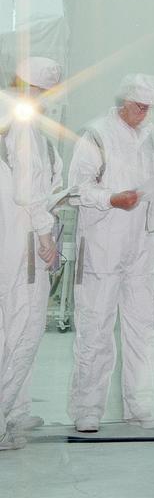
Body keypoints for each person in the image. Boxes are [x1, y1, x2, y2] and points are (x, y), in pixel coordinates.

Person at [67, 73, 154, 432]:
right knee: (95, 328)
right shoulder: (96, 134)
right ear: (124, 101)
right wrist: (111, 198)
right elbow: (76, 190)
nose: (145, 113)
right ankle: (87, 409)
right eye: (140, 106)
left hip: (141, 247)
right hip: (102, 247)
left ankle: (140, 406)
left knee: (143, 329)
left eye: (150, 108)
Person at [0, 56, 64, 449]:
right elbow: (29, 187)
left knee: (9, 327)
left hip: (9, 236)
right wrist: (45, 235)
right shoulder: (23, 122)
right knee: (25, 328)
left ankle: (13, 411)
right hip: (21, 239)